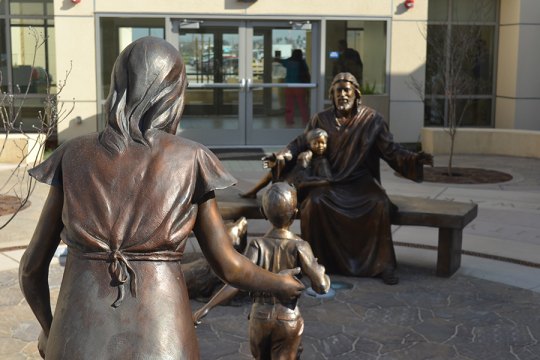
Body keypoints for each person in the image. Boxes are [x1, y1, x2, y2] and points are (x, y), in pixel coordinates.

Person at [18, 37, 304, 359]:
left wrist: (49, 328)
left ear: (118, 86)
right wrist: (280, 283)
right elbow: (229, 266)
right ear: (174, 93)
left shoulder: (72, 155)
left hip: (76, 339)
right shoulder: (192, 159)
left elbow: (30, 268)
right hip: (163, 339)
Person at [268, 72, 433, 285]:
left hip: (360, 181)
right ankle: (314, 263)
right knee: (314, 204)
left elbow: (392, 150)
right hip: (328, 181)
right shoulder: (321, 119)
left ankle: (383, 264)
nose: (342, 95)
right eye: (338, 91)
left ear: (356, 94)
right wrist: (281, 157)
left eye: (347, 90)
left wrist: (415, 159)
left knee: (378, 203)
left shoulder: (372, 120)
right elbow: (299, 143)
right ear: (332, 95)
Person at [193, 182, 330, 360]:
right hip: (287, 318)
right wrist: (319, 271)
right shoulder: (300, 246)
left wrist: (206, 307)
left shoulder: (257, 245)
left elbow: (236, 281)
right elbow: (321, 287)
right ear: (296, 214)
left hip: (260, 318)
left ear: (263, 214)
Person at [239, 128, 331, 199]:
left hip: (298, 189)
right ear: (309, 144)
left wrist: (306, 179)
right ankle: (253, 192)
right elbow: (291, 153)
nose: (320, 146)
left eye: (323, 143)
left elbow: (327, 179)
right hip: (292, 183)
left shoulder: (322, 161)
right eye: (316, 143)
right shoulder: (306, 154)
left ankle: (260, 193)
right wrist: (278, 159)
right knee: (273, 172)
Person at [275, 49, 311, 126]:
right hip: (300, 86)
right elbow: (306, 73)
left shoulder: (288, 62)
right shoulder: (302, 62)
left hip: (288, 86)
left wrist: (274, 58)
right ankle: (306, 120)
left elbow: (280, 61)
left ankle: (289, 120)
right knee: (302, 105)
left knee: (289, 104)